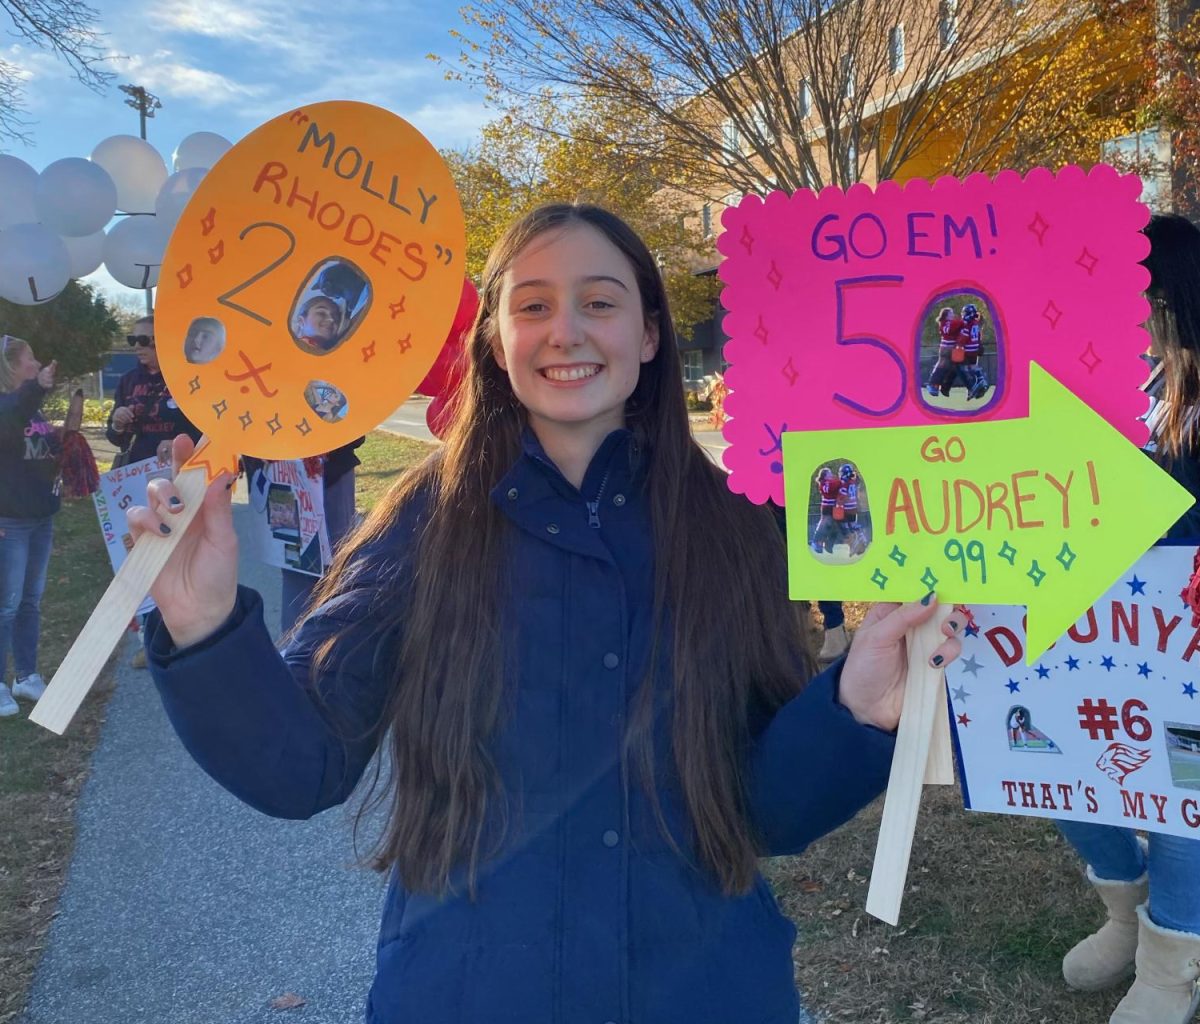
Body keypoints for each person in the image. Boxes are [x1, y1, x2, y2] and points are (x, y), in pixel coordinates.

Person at [128, 203, 962, 1024]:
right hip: (465, 994)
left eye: (599, 302)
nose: (565, 331)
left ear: (648, 335)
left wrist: (855, 708)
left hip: (704, 992)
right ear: (495, 339)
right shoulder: (425, 521)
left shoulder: (734, 523)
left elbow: (767, 815)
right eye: (532, 305)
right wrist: (205, 632)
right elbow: (300, 765)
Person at [1055, 213, 1200, 1024]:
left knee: (1182, 790)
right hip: (1087, 627)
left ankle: (1173, 958)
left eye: (1134, 294)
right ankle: (1125, 907)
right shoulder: (1107, 373)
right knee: (1066, 769)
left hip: (1179, 632)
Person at [0, 336, 60, 716]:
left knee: (29, 602)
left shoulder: (29, 407)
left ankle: (25, 676)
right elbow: (12, 420)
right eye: (30, 359)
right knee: (5, 605)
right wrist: (36, 389)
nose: (36, 364)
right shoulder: (10, 406)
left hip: (40, 518)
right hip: (11, 522)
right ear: (10, 367)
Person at [107, 315, 202, 465]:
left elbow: (208, 432)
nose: (137, 346)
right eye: (133, 340)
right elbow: (115, 438)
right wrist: (117, 425)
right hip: (137, 471)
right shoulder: (128, 380)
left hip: (180, 470)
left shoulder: (189, 379)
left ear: (162, 340)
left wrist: (179, 444)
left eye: (144, 340)